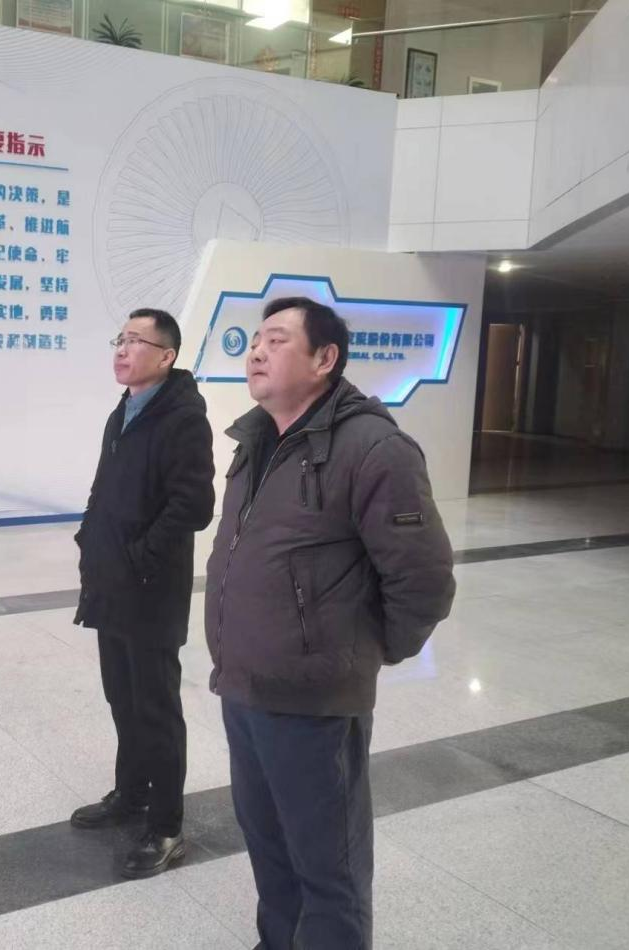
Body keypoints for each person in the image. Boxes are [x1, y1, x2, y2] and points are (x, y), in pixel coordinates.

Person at [204, 297, 456, 948]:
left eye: (276, 340)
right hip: (243, 687)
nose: (256, 351)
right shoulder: (253, 441)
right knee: (268, 846)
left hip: (313, 703)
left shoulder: (374, 448)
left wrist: (355, 655)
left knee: (327, 867)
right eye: (254, 340)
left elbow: (423, 579)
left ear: (324, 359)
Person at [71, 307, 216, 879]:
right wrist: (89, 538)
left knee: (156, 709)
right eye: (120, 339)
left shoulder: (183, 419)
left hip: (151, 590)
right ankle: (130, 795)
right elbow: (104, 487)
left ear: (166, 355)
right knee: (122, 698)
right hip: (111, 583)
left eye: (136, 341)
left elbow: (193, 507)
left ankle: (166, 825)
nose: (122, 349)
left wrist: (138, 558)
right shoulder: (125, 409)